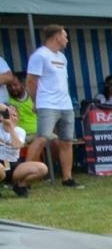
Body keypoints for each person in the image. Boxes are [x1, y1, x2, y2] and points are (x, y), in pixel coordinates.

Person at [25, 25, 81, 189]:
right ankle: (24, 177)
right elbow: (31, 81)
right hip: (47, 103)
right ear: (57, 37)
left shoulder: (62, 57)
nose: (67, 40)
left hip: (65, 104)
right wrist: (35, 102)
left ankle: (67, 178)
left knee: (66, 141)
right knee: (41, 138)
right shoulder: (40, 55)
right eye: (65, 36)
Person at [0, 100, 48, 198]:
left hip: (13, 164)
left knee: (42, 168)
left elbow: (17, 145)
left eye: (14, 115)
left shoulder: (20, 131)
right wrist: (4, 110)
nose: (11, 118)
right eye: (8, 115)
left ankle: (20, 186)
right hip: (1, 163)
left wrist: (10, 127)